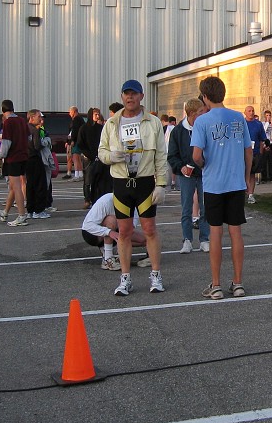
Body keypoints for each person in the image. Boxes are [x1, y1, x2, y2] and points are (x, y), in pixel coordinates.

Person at [98, 80, 168, 296]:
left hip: (145, 182)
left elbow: (161, 155)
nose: (130, 98)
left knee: (149, 230)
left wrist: (161, 184)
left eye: (134, 94)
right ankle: (125, 278)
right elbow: (101, 152)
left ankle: (156, 275)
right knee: (125, 231)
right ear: (122, 97)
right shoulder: (111, 123)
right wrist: (112, 156)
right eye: (126, 94)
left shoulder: (153, 122)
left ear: (141, 96)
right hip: (121, 182)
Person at [192, 75, 253, 299]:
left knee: (215, 232)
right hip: (236, 181)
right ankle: (238, 283)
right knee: (235, 231)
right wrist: (246, 176)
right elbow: (248, 150)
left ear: (205, 97)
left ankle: (216, 284)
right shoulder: (238, 118)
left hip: (214, 183)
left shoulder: (202, 121)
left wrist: (202, 164)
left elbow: (196, 155)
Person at [167, 99, 211, 254]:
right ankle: (187, 240)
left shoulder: (206, 128)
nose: (204, 114)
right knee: (186, 208)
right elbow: (172, 155)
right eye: (201, 112)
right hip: (186, 175)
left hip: (204, 173)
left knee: (205, 207)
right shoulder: (178, 131)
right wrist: (181, 167)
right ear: (192, 114)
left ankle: (205, 239)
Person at [81, 192, 147, 270]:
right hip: (92, 234)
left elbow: (132, 223)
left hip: (115, 232)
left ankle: (147, 258)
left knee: (144, 240)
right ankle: (107, 259)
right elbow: (88, 225)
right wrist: (109, 232)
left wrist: (125, 236)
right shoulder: (106, 201)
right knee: (111, 220)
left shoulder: (132, 204)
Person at [0, 99, 31, 226]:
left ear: (3, 110)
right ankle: (5, 212)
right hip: (24, 157)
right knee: (13, 187)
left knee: (16, 187)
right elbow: (29, 137)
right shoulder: (22, 120)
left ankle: (21, 215)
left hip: (13, 158)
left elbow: (6, 143)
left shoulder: (8, 123)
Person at [25, 110, 52, 220]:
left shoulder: (25, 129)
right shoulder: (35, 131)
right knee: (40, 185)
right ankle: (39, 210)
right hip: (35, 159)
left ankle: (30, 210)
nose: (40, 119)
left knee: (30, 185)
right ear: (31, 117)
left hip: (27, 159)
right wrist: (44, 142)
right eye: (38, 117)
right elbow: (37, 146)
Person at [243, 105, 268, 204]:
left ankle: (251, 194)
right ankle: (243, 192)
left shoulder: (258, 124)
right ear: (245, 112)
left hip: (255, 153)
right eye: (249, 111)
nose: (251, 112)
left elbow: (262, 139)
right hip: (243, 153)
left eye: (252, 111)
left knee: (252, 174)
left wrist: (261, 152)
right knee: (243, 174)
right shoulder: (241, 123)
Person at [64, 106, 86, 181]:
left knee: (75, 158)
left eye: (70, 112)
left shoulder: (76, 119)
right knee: (78, 158)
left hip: (76, 141)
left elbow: (75, 131)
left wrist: (72, 140)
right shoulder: (80, 119)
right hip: (78, 141)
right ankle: (80, 174)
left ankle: (77, 175)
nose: (69, 113)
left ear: (74, 111)